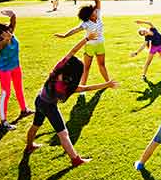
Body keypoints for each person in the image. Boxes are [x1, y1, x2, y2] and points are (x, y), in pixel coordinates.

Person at [25, 32, 119, 167]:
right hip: (49, 107)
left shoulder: (57, 69)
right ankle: (75, 159)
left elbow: (73, 50)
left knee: (35, 125)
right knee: (63, 134)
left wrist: (86, 39)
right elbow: (86, 88)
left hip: (39, 100)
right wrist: (107, 84)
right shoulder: (68, 87)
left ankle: (29, 146)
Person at [0, 10, 33, 131]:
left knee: (19, 88)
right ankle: (3, 122)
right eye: (5, 31)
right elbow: (3, 45)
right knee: (6, 93)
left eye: (8, 29)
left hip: (15, 66)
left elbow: (13, 21)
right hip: (5, 69)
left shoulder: (10, 32)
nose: (9, 31)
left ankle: (24, 109)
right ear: (0, 34)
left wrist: (11, 14)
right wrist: (6, 39)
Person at [54, 0, 109, 88]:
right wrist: (64, 36)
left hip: (100, 45)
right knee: (86, 68)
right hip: (90, 47)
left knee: (102, 65)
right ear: (90, 16)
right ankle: (82, 88)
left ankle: (108, 83)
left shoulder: (98, 16)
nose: (96, 11)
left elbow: (98, 2)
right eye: (93, 12)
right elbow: (75, 29)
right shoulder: (86, 23)